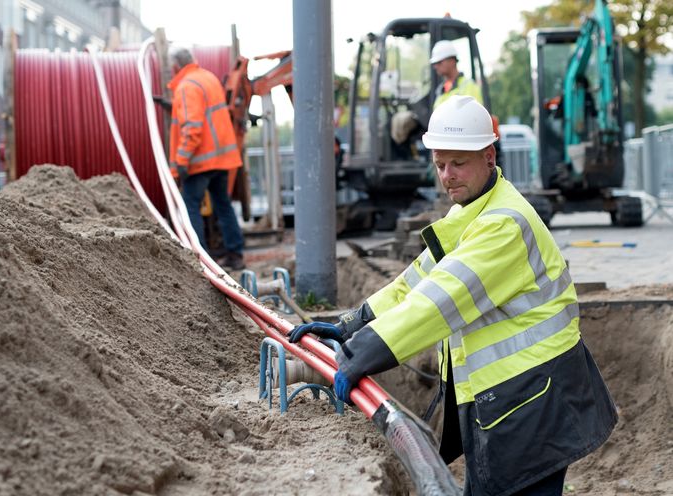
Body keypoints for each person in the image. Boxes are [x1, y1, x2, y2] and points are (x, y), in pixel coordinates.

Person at [289, 95, 617, 495]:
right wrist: (352, 324)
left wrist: (359, 356)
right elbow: (416, 282)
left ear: (489, 156)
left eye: (458, 163)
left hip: (536, 404)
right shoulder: (473, 210)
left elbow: (436, 304)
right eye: (440, 164)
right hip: (515, 399)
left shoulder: (503, 226)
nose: (447, 176)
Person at [168, 47, 245, 270]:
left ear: (176, 67)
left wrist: (182, 160)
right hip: (222, 159)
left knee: (190, 205)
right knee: (223, 204)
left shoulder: (186, 86)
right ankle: (235, 254)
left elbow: (193, 128)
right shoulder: (208, 78)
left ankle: (199, 259)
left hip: (200, 161)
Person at [430, 40, 482, 109]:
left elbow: (475, 115)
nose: (436, 66)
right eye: (435, 63)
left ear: (452, 61)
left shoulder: (469, 86)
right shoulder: (440, 91)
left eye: (439, 62)